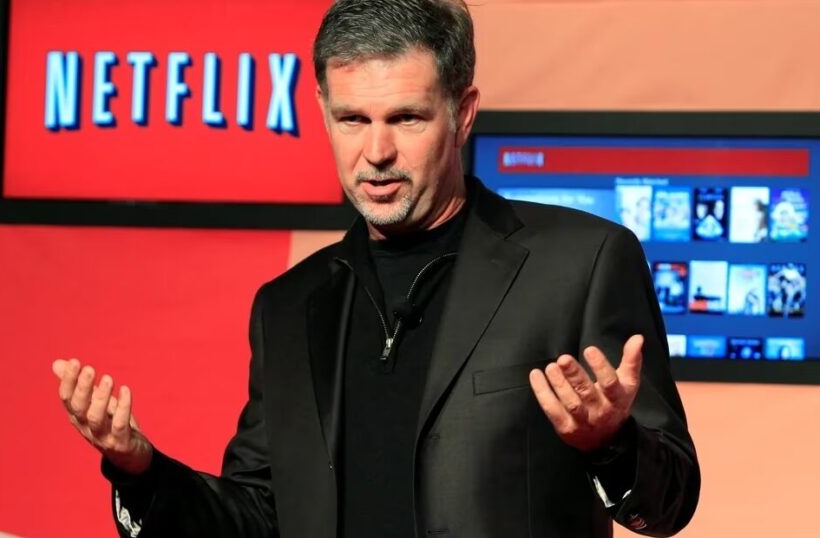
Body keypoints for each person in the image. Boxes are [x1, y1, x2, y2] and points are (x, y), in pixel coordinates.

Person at [52, 1, 700, 536]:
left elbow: (670, 503)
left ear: (463, 113)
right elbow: (260, 514)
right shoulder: (288, 305)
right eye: (352, 119)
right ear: (322, 112)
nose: (376, 151)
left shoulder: (580, 263)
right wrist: (142, 472)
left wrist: (611, 445)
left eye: (406, 118)